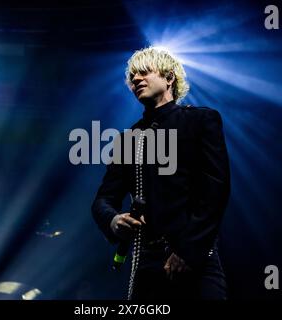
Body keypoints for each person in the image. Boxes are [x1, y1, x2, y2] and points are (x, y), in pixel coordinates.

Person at [91, 47, 230, 300]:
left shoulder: (201, 121)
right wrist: (113, 220)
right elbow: (103, 200)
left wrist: (188, 251)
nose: (135, 79)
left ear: (169, 78)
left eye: (144, 72)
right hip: (147, 266)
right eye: (132, 76)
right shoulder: (127, 140)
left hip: (196, 261)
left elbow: (215, 190)